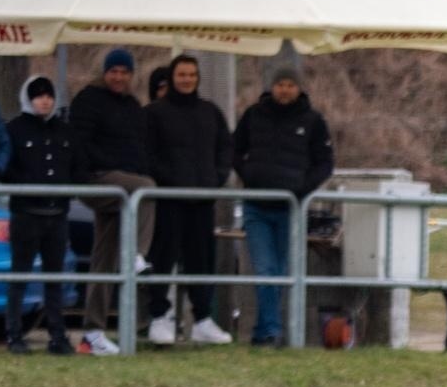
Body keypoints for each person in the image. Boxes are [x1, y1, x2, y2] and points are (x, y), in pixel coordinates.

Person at [234, 65, 334, 347]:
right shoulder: (254, 115)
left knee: (278, 272)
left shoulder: (313, 121)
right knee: (265, 269)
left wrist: (302, 188)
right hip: (257, 207)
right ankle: (272, 331)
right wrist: (249, 175)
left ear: (299, 88)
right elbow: (234, 149)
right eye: (280, 84)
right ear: (272, 87)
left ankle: (263, 331)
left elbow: (325, 163)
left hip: (290, 209)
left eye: (290, 85)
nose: (285, 90)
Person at [143, 53, 234, 346]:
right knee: (162, 259)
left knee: (201, 261)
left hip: (202, 201)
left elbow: (225, 148)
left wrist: (216, 178)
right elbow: (147, 154)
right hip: (168, 200)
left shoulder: (210, 112)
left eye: (192, 75)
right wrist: (167, 180)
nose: (187, 80)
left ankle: (203, 320)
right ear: (172, 77)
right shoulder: (154, 113)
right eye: (182, 74)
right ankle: (159, 317)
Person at [71, 47, 156, 356]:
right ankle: (137, 254)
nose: (118, 77)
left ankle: (92, 334)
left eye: (124, 72)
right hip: (97, 178)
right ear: (104, 73)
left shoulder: (133, 107)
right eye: (113, 71)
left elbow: (137, 148)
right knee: (147, 189)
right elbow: (80, 143)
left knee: (103, 258)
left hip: (122, 184)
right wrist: (91, 172)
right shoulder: (88, 100)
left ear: (131, 75)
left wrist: (136, 169)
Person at [1, 77, 85, 355]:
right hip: (26, 215)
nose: (44, 100)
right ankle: (14, 335)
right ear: (27, 99)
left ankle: (57, 336)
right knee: (20, 276)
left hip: (57, 215)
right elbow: (6, 168)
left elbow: (77, 167)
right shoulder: (14, 129)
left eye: (49, 95)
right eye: (38, 96)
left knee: (54, 278)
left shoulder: (65, 131)